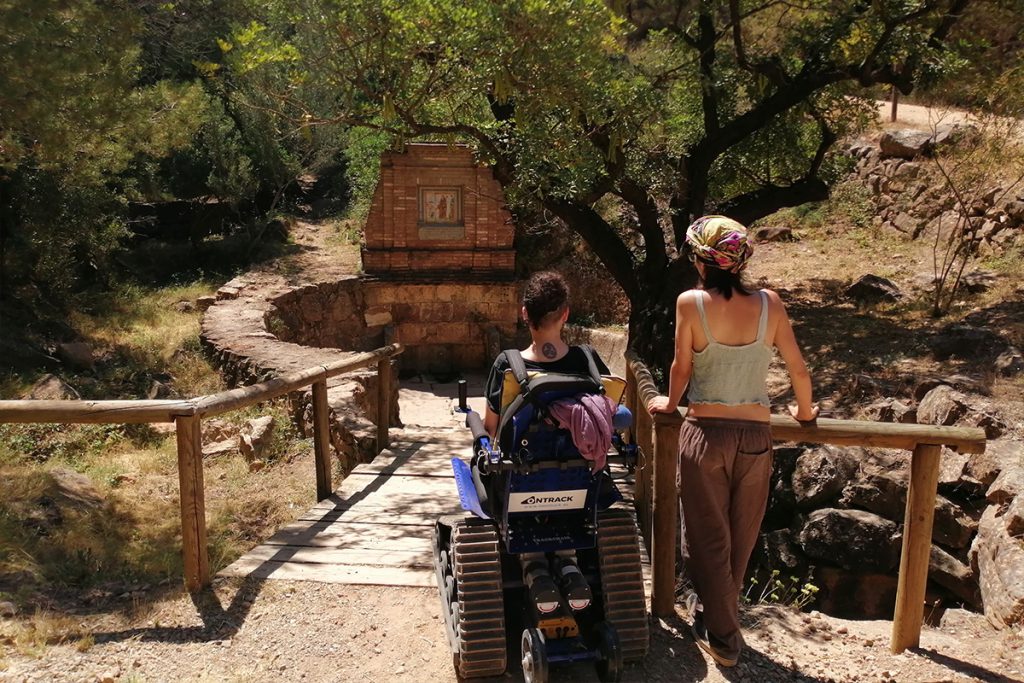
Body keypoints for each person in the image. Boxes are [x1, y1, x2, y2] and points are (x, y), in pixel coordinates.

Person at [646, 215, 818, 668]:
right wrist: (804, 412)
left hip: (705, 434)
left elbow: (681, 367)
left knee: (706, 537)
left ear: (701, 261)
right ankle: (715, 616)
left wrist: (669, 403)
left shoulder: (690, 303)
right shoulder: (770, 304)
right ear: (740, 261)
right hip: (756, 437)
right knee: (742, 536)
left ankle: (724, 639)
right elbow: (798, 368)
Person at [483, 270, 612, 619]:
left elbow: (492, 428)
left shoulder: (508, 365)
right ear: (565, 314)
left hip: (520, 480)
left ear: (525, 313)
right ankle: (568, 563)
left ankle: (533, 563)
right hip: (581, 479)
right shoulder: (587, 362)